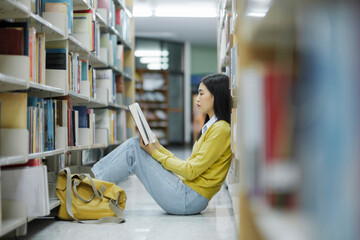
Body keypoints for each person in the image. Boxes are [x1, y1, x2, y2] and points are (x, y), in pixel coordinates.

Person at [91, 73, 232, 215]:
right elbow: (189, 166)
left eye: (201, 94)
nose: (197, 99)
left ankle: (89, 188)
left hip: (188, 198)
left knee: (133, 148)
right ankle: (92, 185)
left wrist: (154, 153)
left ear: (216, 96)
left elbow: (190, 171)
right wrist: (158, 147)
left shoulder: (220, 129)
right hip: (188, 194)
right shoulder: (213, 126)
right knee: (134, 145)